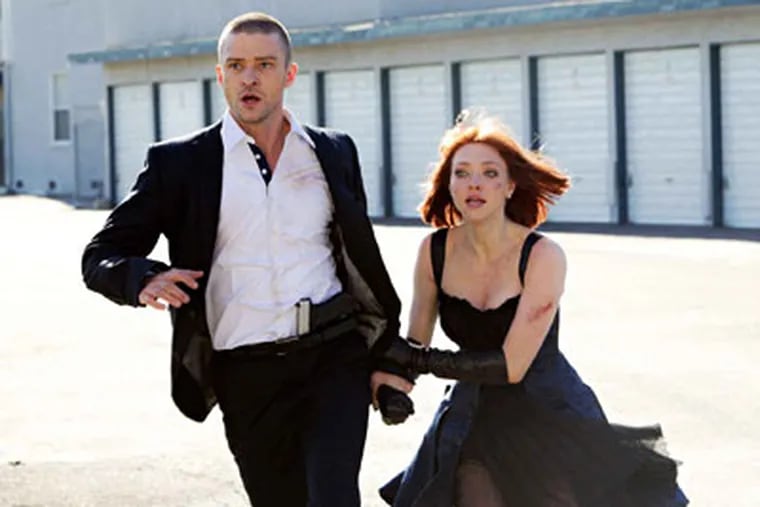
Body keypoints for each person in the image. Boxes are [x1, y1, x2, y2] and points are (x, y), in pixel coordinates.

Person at [81, 12, 414, 507]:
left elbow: (358, 258)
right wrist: (143, 277)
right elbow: (101, 254)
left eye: (264, 64)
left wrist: (383, 350)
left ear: (289, 73)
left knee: (334, 497)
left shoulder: (333, 152)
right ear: (221, 76)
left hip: (332, 357)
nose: (249, 78)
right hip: (246, 372)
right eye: (236, 66)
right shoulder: (181, 163)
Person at [378, 110, 689, 506]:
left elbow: (512, 366)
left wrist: (417, 360)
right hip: (472, 414)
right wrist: (392, 385)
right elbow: (415, 342)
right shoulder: (433, 251)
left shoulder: (543, 255)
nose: (475, 183)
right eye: (462, 173)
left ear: (510, 187)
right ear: (449, 184)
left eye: (490, 173)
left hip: (547, 410)